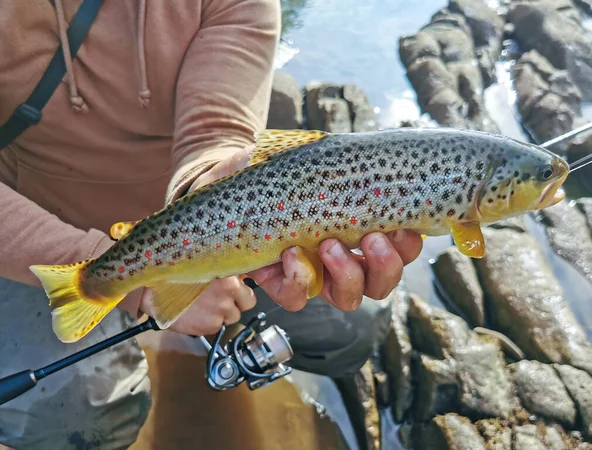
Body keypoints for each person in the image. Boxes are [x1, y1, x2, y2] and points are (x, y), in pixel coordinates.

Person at [0, 0, 423, 448]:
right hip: (34, 234)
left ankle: (212, 316)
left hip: (195, 224)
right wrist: (128, 280)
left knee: (351, 327)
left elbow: (214, 130)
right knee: (77, 424)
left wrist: (217, 188)